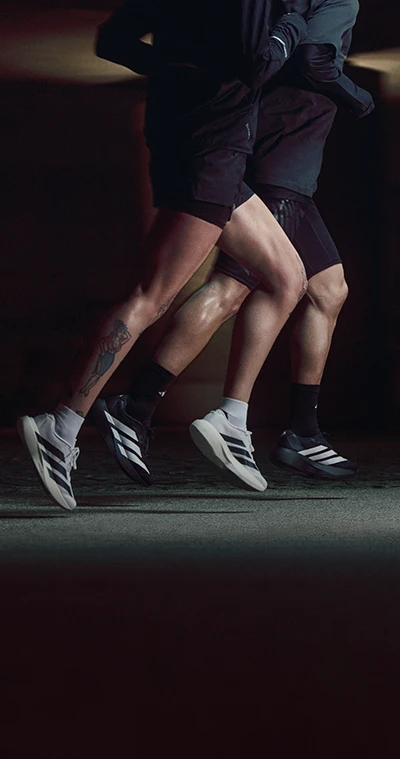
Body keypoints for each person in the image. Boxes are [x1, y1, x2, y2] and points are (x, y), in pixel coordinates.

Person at [17, 0, 312, 510]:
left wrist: (176, 73)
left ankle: (228, 419)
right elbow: (259, 62)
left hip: (196, 142)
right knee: (151, 294)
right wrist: (295, 20)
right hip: (210, 151)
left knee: (287, 277)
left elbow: (111, 41)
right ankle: (60, 427)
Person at [91, 0, 373, 493]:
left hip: (276, 156)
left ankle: (296, 430)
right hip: (281, 162)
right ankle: (153, 408)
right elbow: (312, 60)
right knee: (236, 286)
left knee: (326, 289)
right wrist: (359, 97)